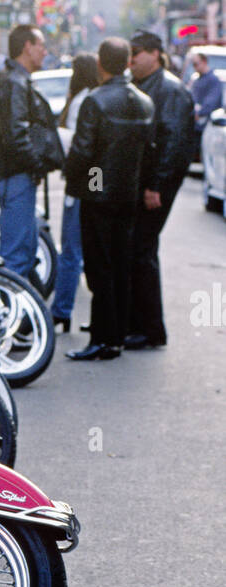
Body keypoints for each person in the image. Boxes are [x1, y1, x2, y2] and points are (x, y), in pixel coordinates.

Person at [63, 37, 154, 362]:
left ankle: (103, 339)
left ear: (101, 63)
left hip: (98, 193)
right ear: (127, 61)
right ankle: (114, 336)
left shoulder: (97, 101)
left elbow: (83, 151)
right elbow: (149, 152)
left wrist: (73, 178)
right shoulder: (144, 101)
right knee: (120, 265)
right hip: (126, 194)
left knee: (100, 269)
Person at [126, 28, 196, 349]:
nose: (131, 59)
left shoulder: (171, 90)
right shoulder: (144, 85)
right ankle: (135, 322)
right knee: (137, 250)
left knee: (142, 250)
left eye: (136, 52)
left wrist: (157, 185)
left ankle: (150, 329)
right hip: (143, 182)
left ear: (155, 54)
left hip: (156, 185)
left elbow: (175, 144)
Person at [0, 24, 64, 278]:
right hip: (14, 176)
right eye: (41, 45)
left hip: (14, 176)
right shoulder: (14, 83)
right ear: (27, 47)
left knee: (24, 252)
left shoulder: (12, 80)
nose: (44, 51)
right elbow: (15, 135)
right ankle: (10, 311)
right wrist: (36, 164)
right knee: (16, 257)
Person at [51, 52, 99, 330]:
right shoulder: (92, 98)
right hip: (95, 182)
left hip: (80, 182)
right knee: (85, 248)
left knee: (71, 249)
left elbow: (79, 146)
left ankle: (62, 311)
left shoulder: (81, 101)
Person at [189, 51, 223, 140]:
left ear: (204, 62)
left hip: (208, 126)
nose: (194, 68)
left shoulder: (213, 80)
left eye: (196, 64)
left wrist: (200, 113)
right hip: (195, 125)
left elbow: (211, 101)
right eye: (193, 65)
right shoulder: (196, 79)